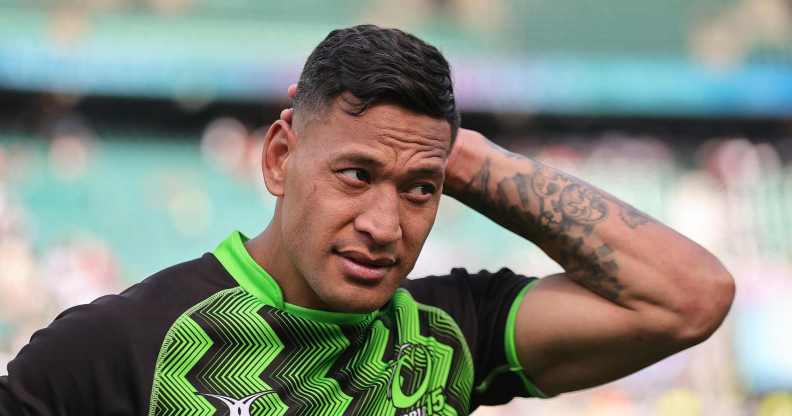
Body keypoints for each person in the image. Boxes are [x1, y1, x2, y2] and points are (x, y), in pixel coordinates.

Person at [0, 24, 734, 416]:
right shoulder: (119, 348)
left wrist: (465, 157)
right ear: (281, 158)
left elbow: (689, 297)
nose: (386, 225)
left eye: (420, 188)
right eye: (356, 175)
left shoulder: (450, 336)